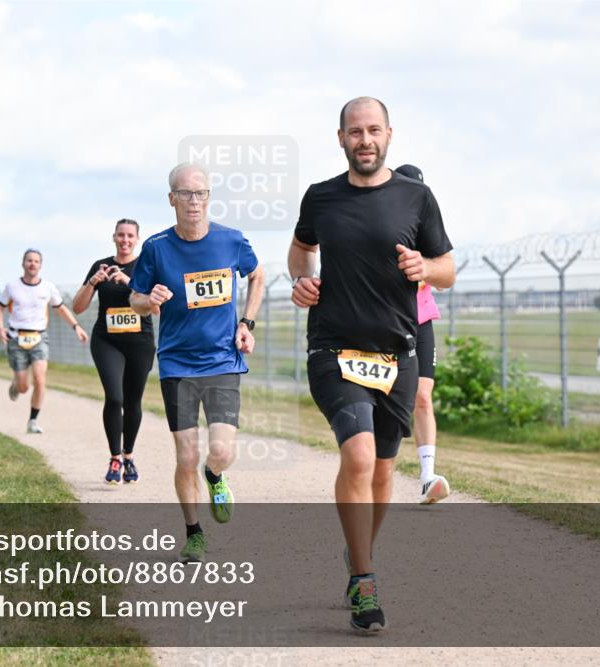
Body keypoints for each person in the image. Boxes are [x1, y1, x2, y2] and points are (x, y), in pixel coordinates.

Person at [288, 97, 455, 633]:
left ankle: (358, 554)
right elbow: (299, 249)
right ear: (340, 138)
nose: (365, 140)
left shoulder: (417, 197)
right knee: (359, 457)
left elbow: (447, 269)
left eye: (374, 130)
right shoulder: (322, 196)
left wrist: (423, 264)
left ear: (389, 135)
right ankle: (365, 580)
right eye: (355, 131)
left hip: (396, 354)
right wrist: (303, 279)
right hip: (333, 349)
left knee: (384, 473)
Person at [129, 162, 264, 563]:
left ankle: (215, 476)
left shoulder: (231, 240)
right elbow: (135, 302)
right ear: (172, 198)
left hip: (223, 359)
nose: (193, 201)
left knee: (220, 451)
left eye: (200, 193)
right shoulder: (156, 247)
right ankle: (194, 533)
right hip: (177, 364)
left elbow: (257, 276)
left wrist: (246, 323)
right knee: (185, 454)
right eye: (185, 193)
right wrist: (147, 300)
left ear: (209, 197)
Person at [73, 219, 156, 484]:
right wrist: (93, 283)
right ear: (114, 237)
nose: (125, 240)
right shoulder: (100, 265)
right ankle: (115, 458)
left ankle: (129, 455)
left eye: (130, 235)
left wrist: (129, 281)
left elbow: (157, 307)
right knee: (115, 397)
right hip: (107, 340)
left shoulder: (145, 266)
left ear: (137, 238)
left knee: (133, 402)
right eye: (121, 235)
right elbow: (77, 307)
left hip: (139, 342)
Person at [394, 163, 451, 505]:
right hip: (385, 321)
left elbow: (442, 275)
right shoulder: (385, 225)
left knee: (423, 396)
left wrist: (430, 267)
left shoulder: (428, 229)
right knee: (388, 397)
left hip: (421, 318)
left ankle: (428, 476)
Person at [0, 249, 88, 433]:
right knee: (23, 387)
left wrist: (76, 326)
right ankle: (17, 383)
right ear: (23, 263)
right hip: (16, 337)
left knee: (40, 378)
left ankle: (32, 421)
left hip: (39, 337)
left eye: (36, 261)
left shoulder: (48, 287)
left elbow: (60, 309)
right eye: (29, 260)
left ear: (40, 265)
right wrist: (0, 328)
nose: (32, 264)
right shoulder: (12, 287)